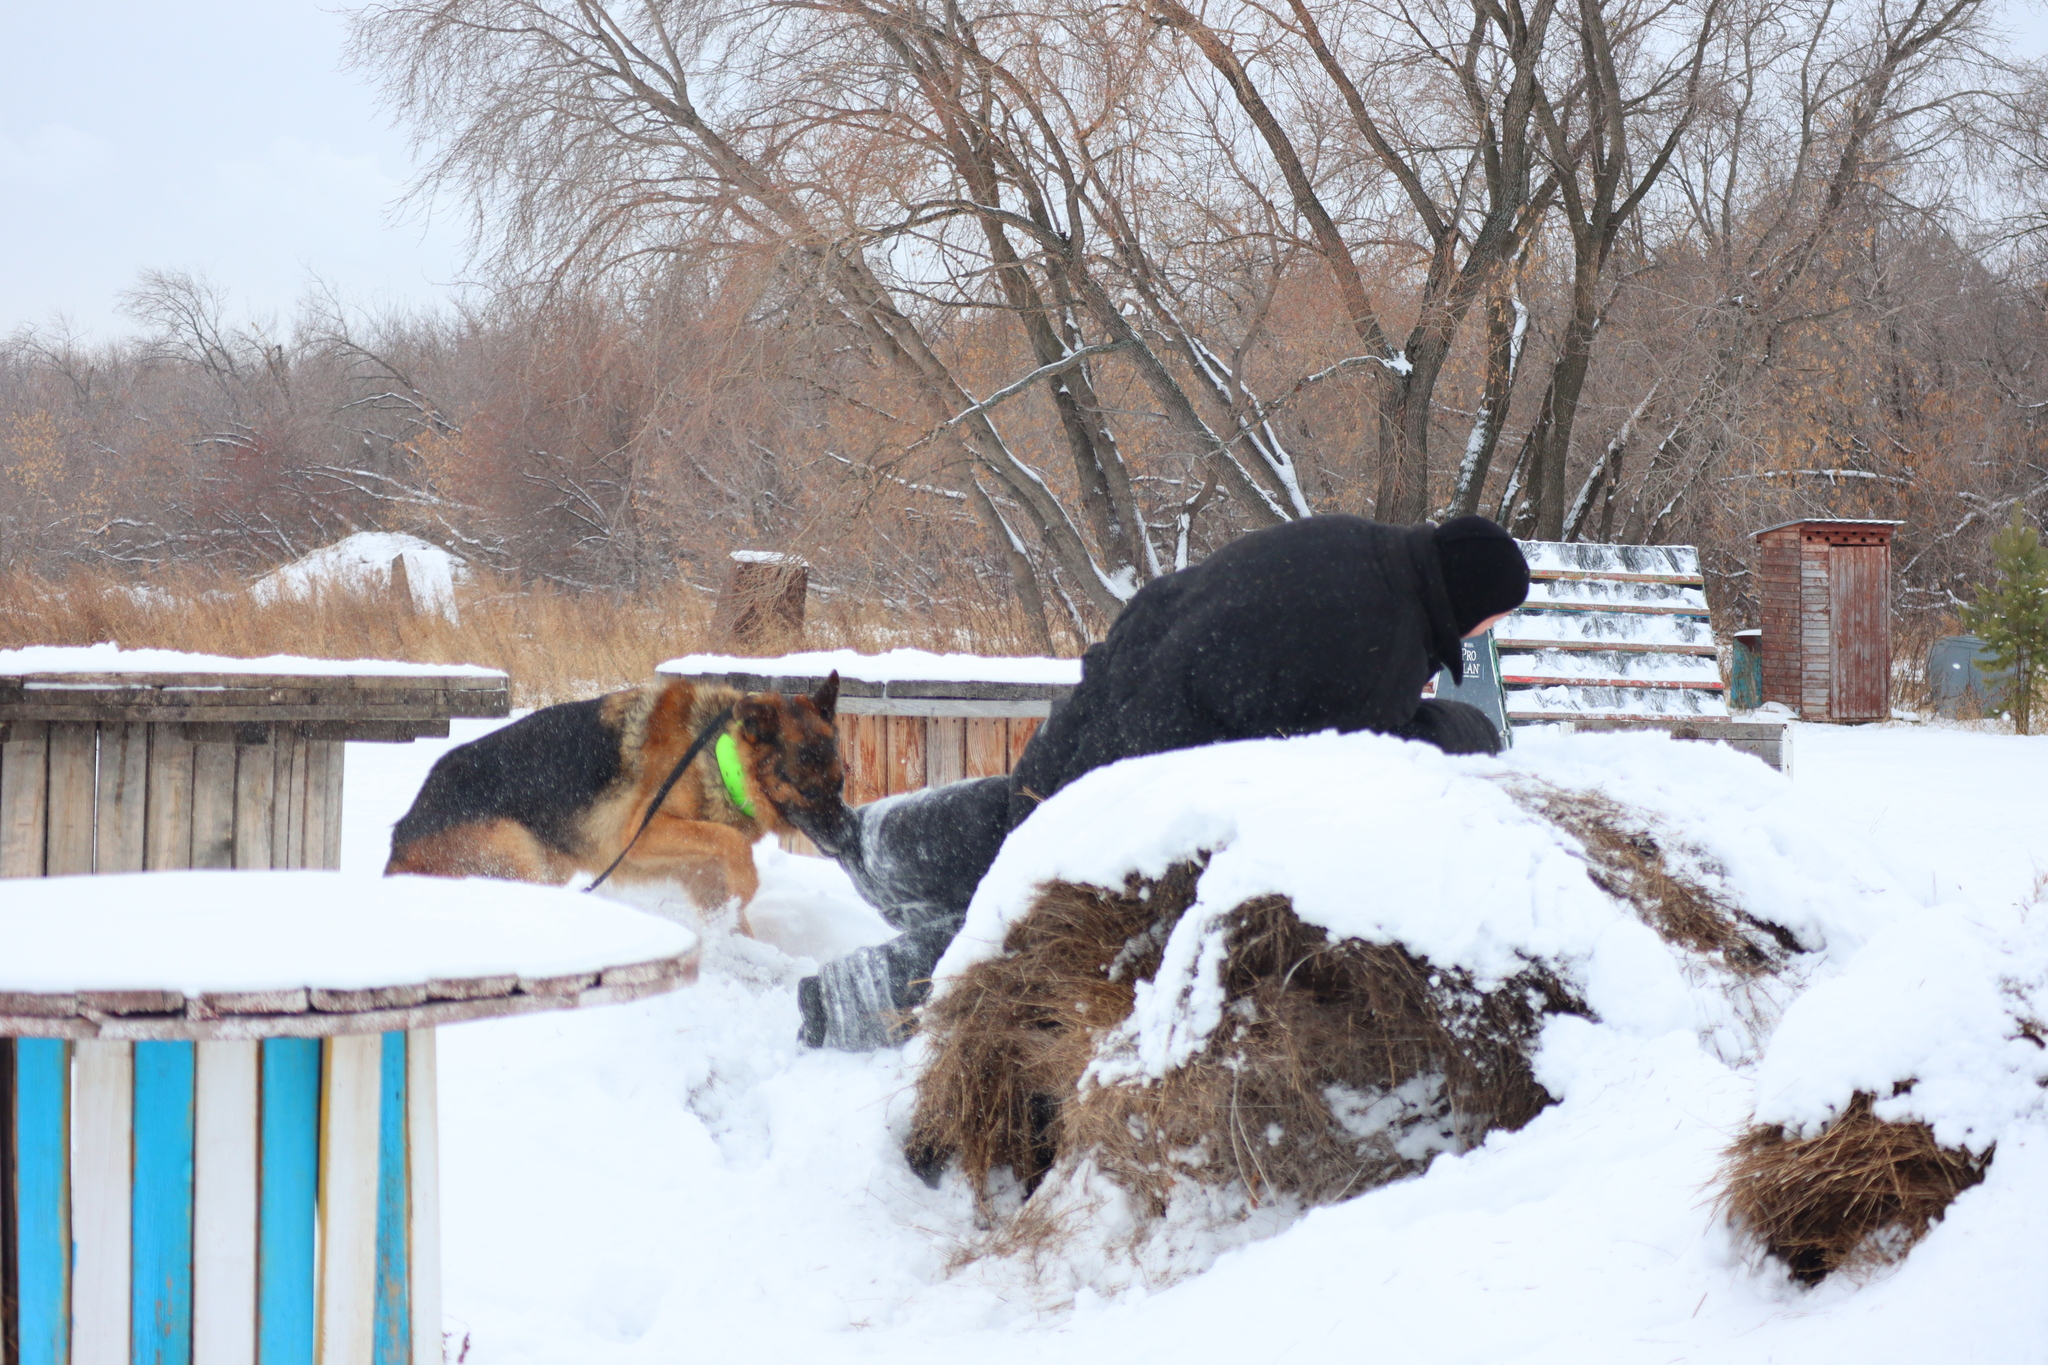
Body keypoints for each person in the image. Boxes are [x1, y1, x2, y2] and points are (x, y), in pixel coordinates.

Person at [784, 514, 1532, 1050]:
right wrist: (1473, 731)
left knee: (1021, 814)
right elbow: (1378, 753)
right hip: (1145, 774)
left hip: (1110, 693)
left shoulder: (1354, 543)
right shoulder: (1385, 647)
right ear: (1472, 605)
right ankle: (843, 1005)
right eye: (1492, 619)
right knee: (1034, 926)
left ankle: (870, 848)